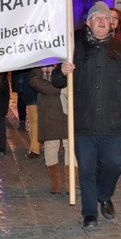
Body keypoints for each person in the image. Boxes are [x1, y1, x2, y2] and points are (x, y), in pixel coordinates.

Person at [52, 1, 121, 229]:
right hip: (84, 122)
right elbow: (56, 80)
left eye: (106, 19)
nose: (102, 21)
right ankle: (89, 213)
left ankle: (105, 195)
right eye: (97, 18)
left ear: (112, 25)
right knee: (87, 169)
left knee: (114, 163)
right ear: (88, 23)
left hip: (113, 122)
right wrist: (62, 71)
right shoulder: (75, 49)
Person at [30, 64, 69, 194]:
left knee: (70, 144)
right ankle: (55, 184)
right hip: (49, 106)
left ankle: (71, 183)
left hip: (68, 104)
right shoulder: (41, 59)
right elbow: (34, 81)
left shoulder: (70, 54)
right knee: (51, 144)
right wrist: (60, 90)